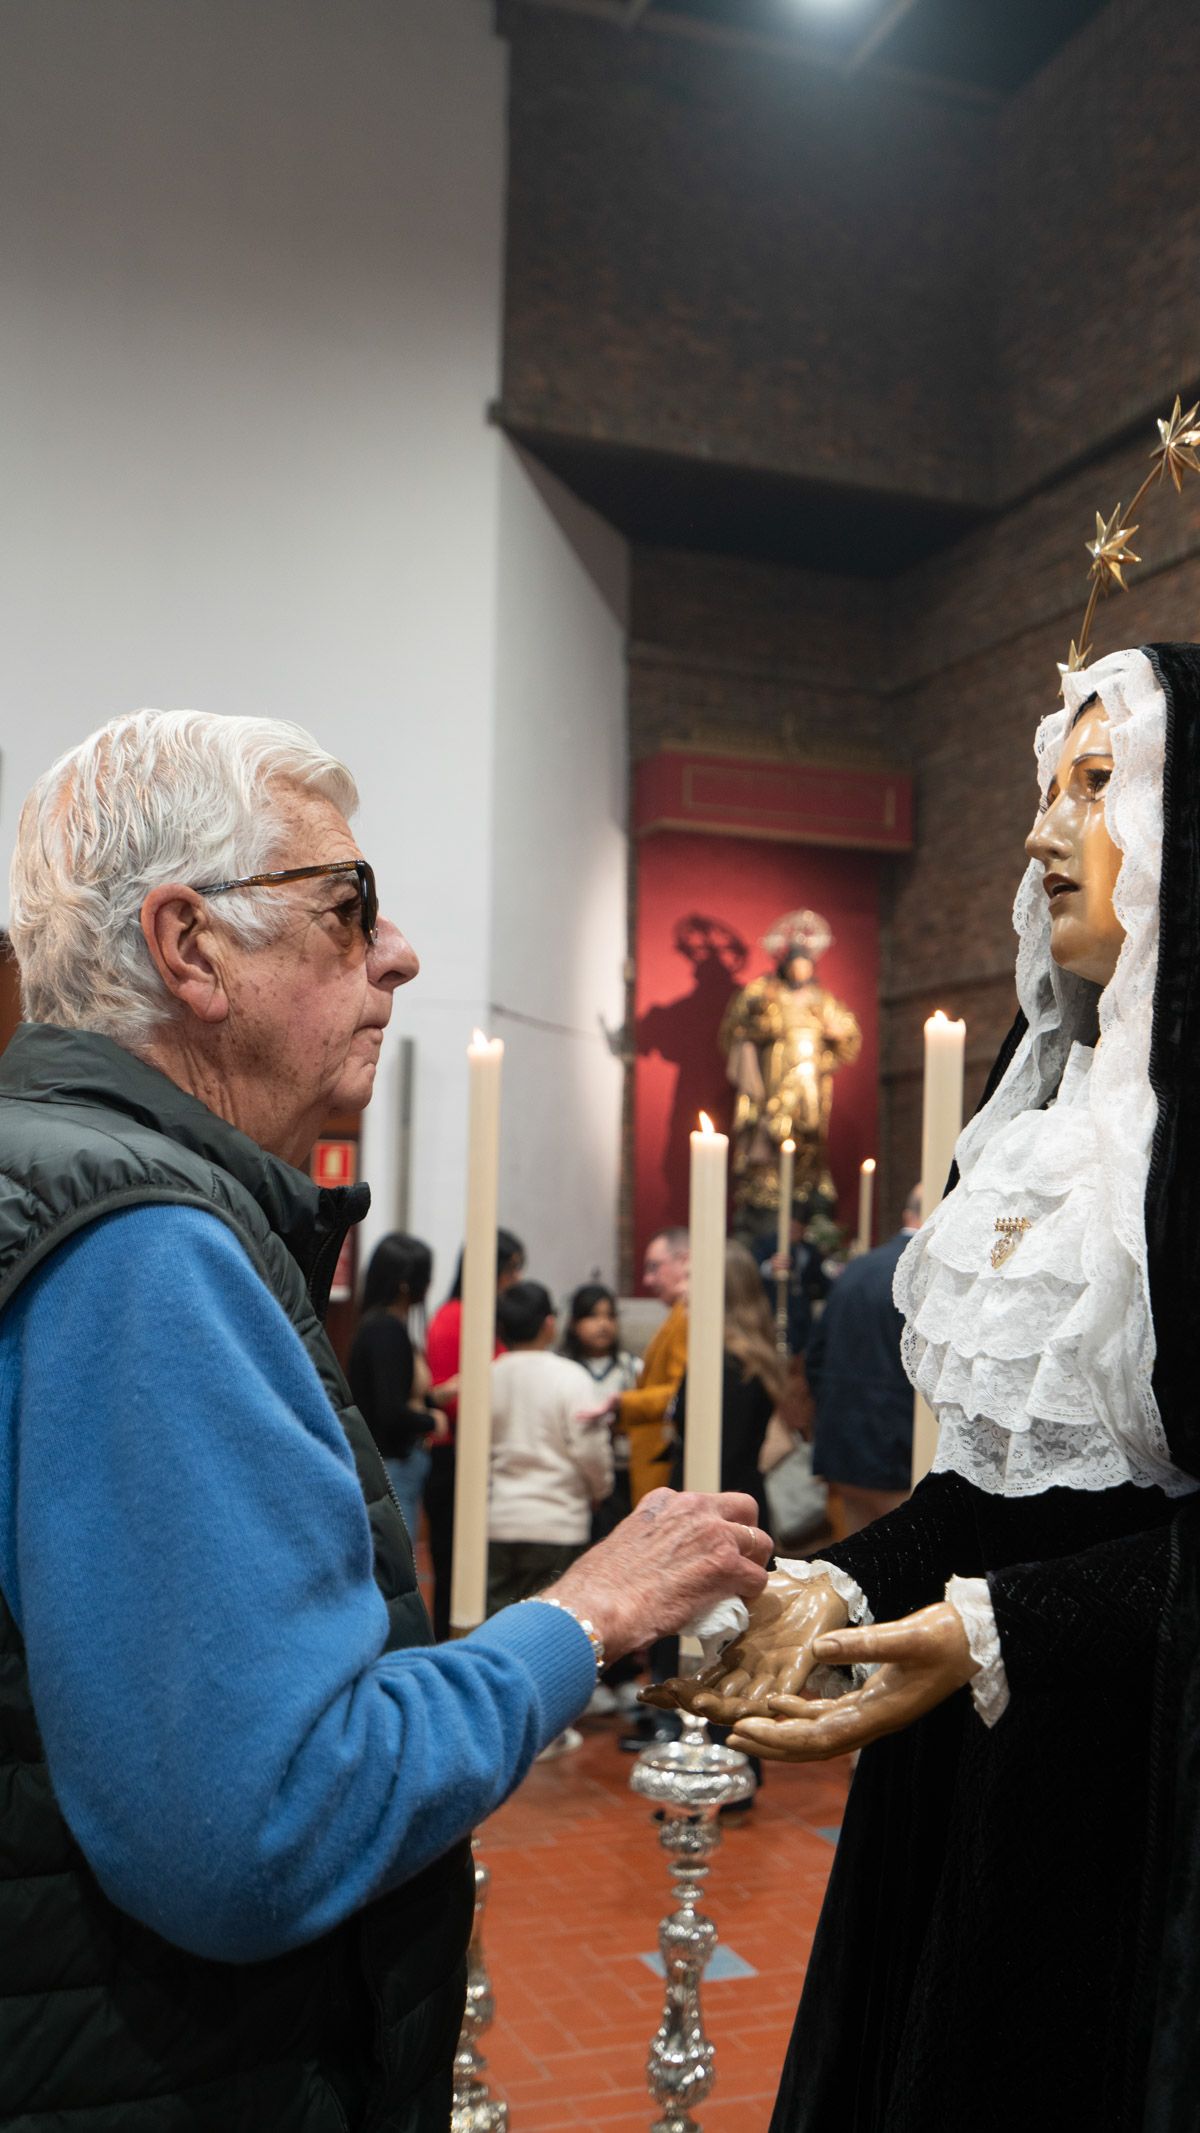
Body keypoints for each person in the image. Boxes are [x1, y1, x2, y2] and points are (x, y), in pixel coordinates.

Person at [0, 709, 774, 2133]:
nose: (397, 950)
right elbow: (264, 1824)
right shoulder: (140, 1250)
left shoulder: (68, 1186)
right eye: (346, 906)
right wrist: (580, 1617)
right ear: (190, 948)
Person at [649, 643, 1200, 2133]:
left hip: (1145, 1793)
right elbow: (1003, 1496)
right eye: (1046, 788)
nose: (1041, 832)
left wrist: (1002, 1624)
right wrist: (838, 1586)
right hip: (962, 1770)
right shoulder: (1034, 1129)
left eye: (1098, 787)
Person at [718, 908, 861, 1215]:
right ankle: (767, 1186)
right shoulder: (765, 992)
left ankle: (806, 1184)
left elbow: (849, 1034)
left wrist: (835, 1033)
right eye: (794, 963)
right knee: (771, 1126)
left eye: (804, 964)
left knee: (808, 1130)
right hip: (775, 1072)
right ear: (784, 963)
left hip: (810, 1077)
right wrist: (761, 1024)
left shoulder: (823, 1001)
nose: (799, 970)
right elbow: (737, 1028)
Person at [487, 1280, 614, 1614]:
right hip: (558, 1519)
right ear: (549, 1323)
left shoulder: (487, 1376)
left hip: (497, 1519)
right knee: (548, 1627)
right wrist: (600, 1489)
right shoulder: (570, 1377)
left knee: (497, 1626)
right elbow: (590, 1449)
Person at [423, 1226, 525, 1641]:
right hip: (457, 1456)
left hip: (480, 1454)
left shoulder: (481, 1316)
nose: (516, 1281)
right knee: (455, 1570)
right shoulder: (459, 1316)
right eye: (513, 1269)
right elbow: (455, 1398)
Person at [807, 1186, 922, 1534]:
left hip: (842, 1440)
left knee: (859, 1565)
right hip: (898, 1448)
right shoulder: (927, 1272)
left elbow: (816, 1355)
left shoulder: (858, 1267)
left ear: (907, 1215)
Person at [670, 1239, 787, 1529]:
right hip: (729, 1510)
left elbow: (724, 1461)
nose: (681, 1290)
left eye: (690, 1278)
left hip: (722, 1519)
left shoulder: (729, 1365)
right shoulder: (732, 1357)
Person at [348, 1230, 443, 1540]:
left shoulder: (383, 1325)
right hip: (393, 1462)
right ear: (406, 1283)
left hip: (394, 1462)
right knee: (399, 1552)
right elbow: (389, 1410)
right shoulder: (386, 1330)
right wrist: (432, 1420)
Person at [561, 1280, 639, 1536]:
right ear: (574, 1323)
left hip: (623, 1472)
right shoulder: (563, 1370)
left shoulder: (630, 1368)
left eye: (609, 1316)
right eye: (593, 1316)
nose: (602, 1325)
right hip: (575, 1476)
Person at [618, 1225, 690, 1502]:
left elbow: (680, 1393)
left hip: (665, 1464)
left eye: (654, 1267)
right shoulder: (679, 1314)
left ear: (685, 1260)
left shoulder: (687, 1316)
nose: (648, 1279)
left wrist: (623, 1404)